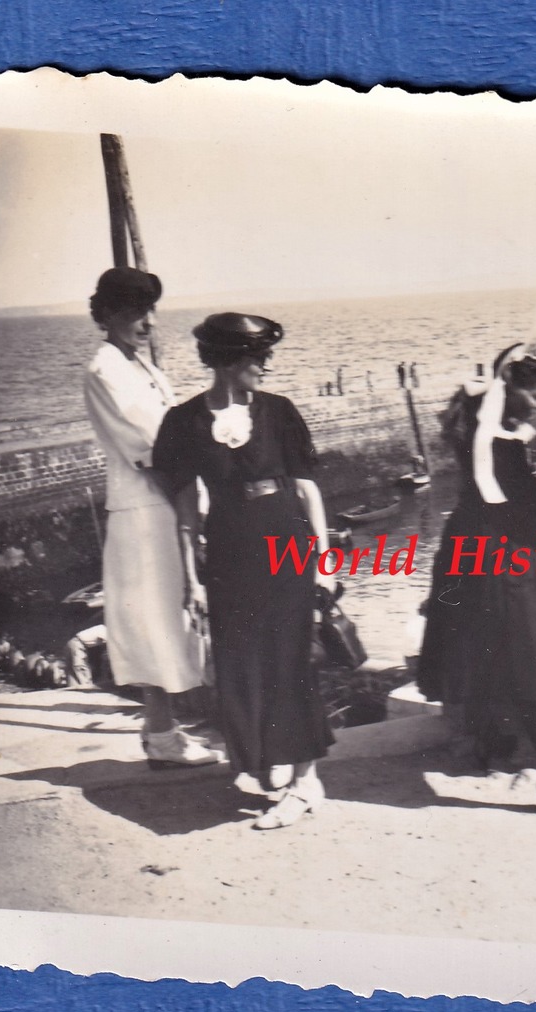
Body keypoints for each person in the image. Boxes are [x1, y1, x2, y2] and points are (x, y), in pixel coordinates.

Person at [153, 313, 334, 829]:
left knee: (291, 659)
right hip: (231, 551)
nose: (265, 366)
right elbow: (185, 509)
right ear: (229, 361)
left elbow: (307, 488)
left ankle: (305, 779)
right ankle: (269, 758)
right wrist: (192, 580)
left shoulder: (279, 413)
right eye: (258, 358)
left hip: (286, 542)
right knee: (241, 665)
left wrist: (322, 559)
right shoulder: (185, 421)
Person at [417, 346, 536, 813]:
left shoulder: (483, 431)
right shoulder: (494, 441)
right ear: (509, 389)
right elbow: (522, 508)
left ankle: (496, 745)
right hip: (501, 558)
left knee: (495, 650)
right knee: (529, 658)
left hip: (476, 551)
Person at [82, 266, 213, 768]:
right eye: (137, 311)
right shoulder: (105, 371)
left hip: (168, 504)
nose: (148, 321)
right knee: (152, 622)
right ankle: (161, 736)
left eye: (151, 310)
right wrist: (191, 508)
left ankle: (165, 731)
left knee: (171, 619)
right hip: (145, 511)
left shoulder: (140, 366)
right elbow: (152, 451)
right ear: (110, 313)